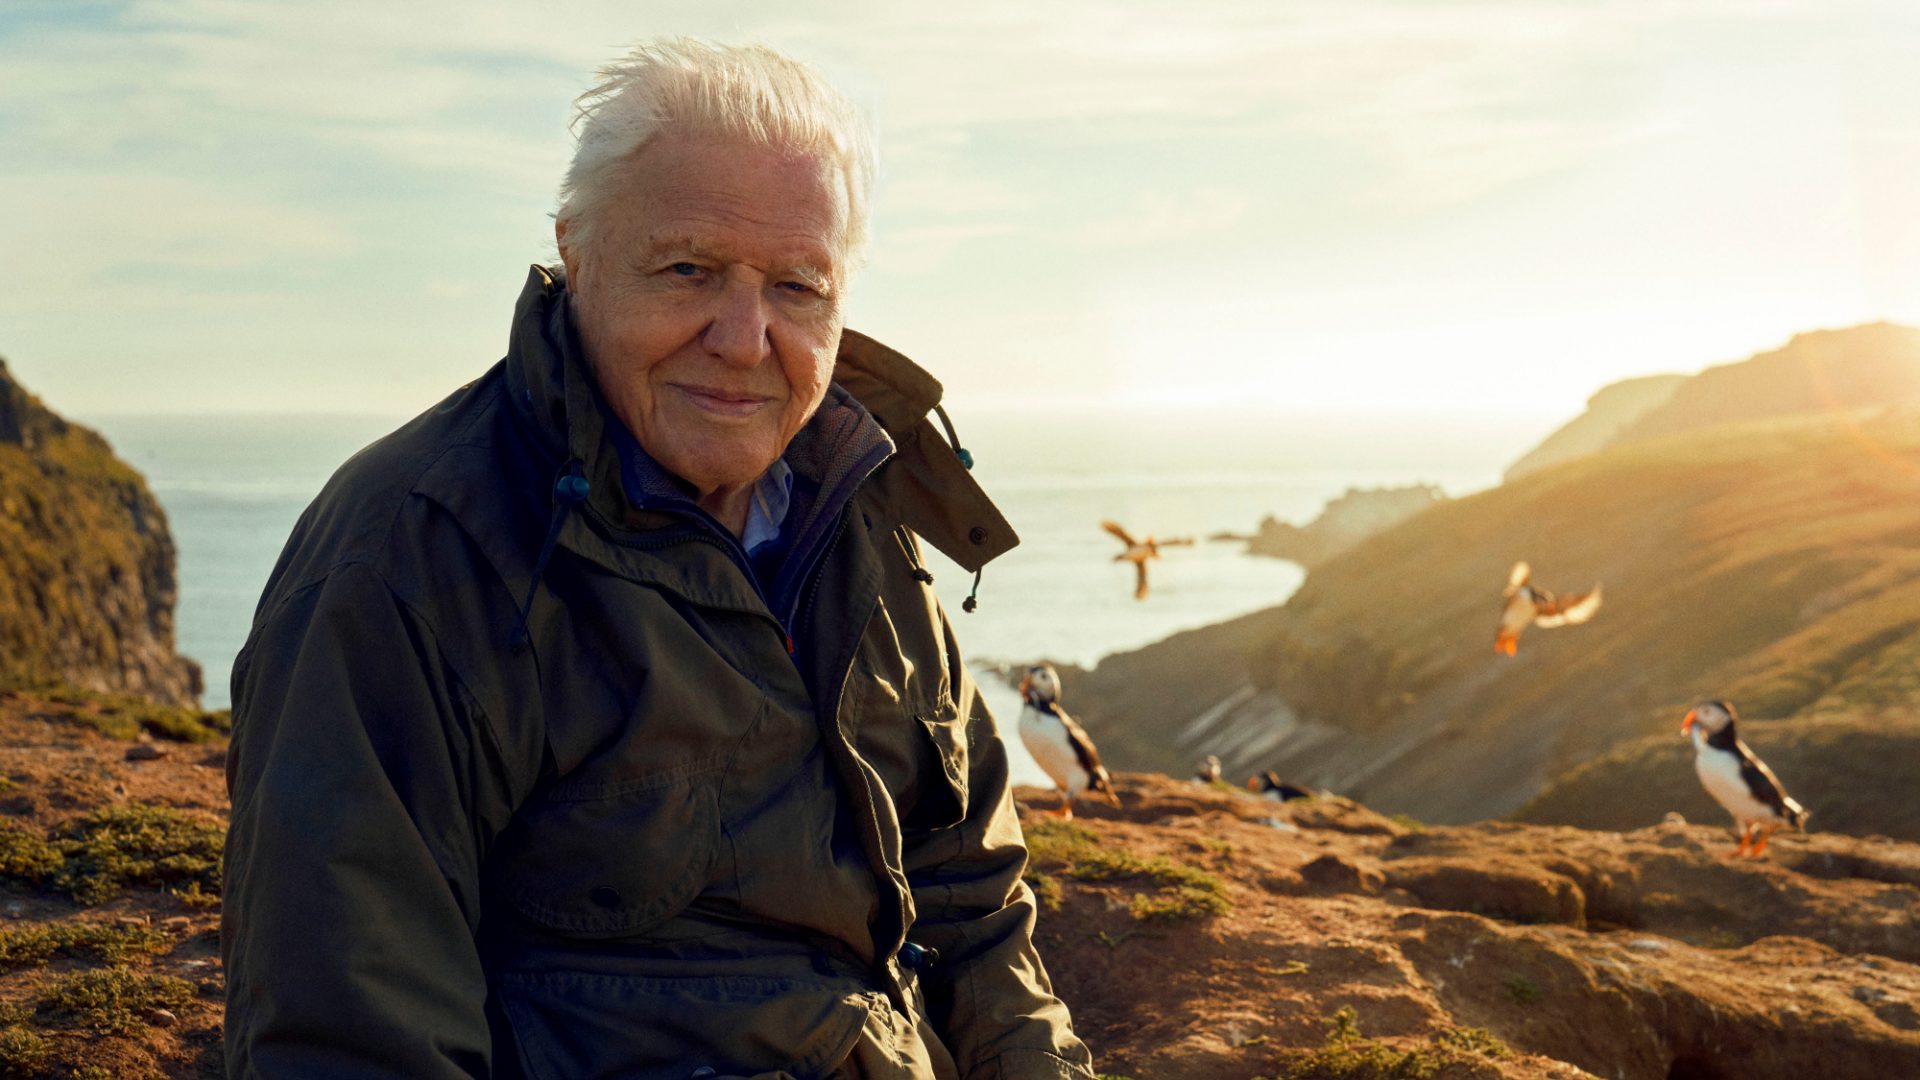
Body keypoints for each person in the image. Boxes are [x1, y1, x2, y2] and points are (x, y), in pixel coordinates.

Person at [221, 38, 1097, 1080]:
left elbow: (973, 903)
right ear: (576, 255)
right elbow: (350, 1037)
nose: (743, 335)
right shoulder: (407, 565)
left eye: (796, 287)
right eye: (689, 269)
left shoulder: (862, 523)